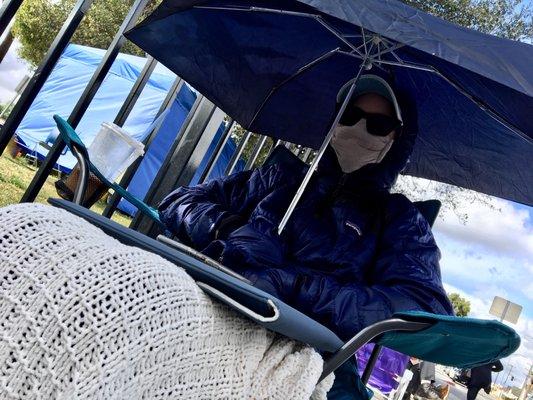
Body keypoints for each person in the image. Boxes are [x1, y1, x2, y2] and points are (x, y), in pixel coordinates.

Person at [158, 74, 454, 397]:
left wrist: (298, 285)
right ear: (335, 122)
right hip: (218, 305)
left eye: (378, 124)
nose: (359, 129)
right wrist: (229, 228)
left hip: (313, 354)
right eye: (350, 117)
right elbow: (180, 201)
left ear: (397, 138)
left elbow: (426, 309)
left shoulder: (399, 220)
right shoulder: (280, 176)